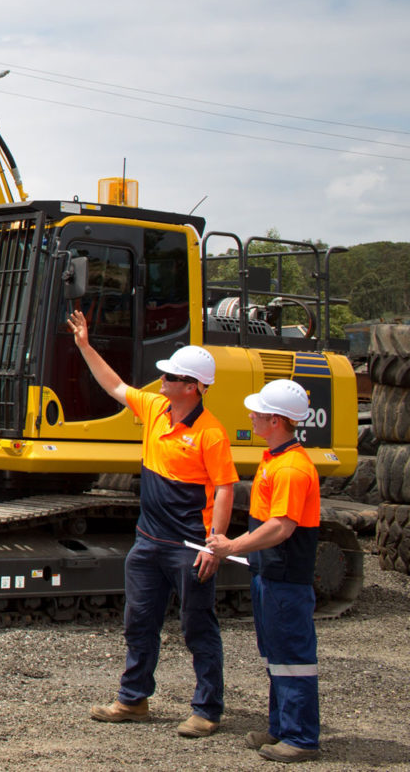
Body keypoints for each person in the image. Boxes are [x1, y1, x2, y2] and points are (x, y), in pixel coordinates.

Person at [67, 310, 237, 738]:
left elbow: (224, 488)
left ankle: (207, 709)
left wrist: (213, 542)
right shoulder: (157, 408)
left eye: (172, 376)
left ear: (194, 387)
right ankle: (133, 699)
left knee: (198, 627)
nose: (162, 379)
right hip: (148, 543)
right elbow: (115, 385)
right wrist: (85, 345)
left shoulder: (211, 434)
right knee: (138, 622)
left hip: (188, 548)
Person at [207, 379, 322, 764]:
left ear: (275, 420)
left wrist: (230, 547)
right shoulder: (276, 458)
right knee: (277, 654)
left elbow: (280, 527)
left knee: (292, 657)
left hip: (284, 578)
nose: (251, 415)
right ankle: (281, 728)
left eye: (257, 411)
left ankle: (301, 737)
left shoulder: (290, 468)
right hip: (271, 575)